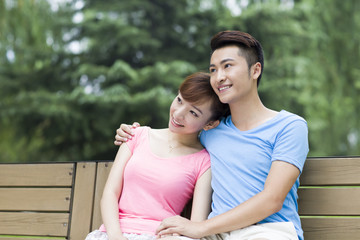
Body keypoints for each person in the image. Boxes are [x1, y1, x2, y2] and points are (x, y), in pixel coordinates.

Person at [114, 30, 309, 240]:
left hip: (266, 232)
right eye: (213, 69)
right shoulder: (210, 131)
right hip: (215, 234)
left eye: (227, 66)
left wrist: (200, 228)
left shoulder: (289, 127)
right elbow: (175, 135)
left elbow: (272, 199)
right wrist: (132, 132)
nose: (219, 77)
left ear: (255, 70)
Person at [85, 72, 229, 240]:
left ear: (210, 123)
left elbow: (195, 225)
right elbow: (110, 193)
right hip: (113, 233)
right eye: (180, 100)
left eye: (193, 113)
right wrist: (116, 236)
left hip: (162, 235)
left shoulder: (204, 162)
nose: (178, 114)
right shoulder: (135, 135)